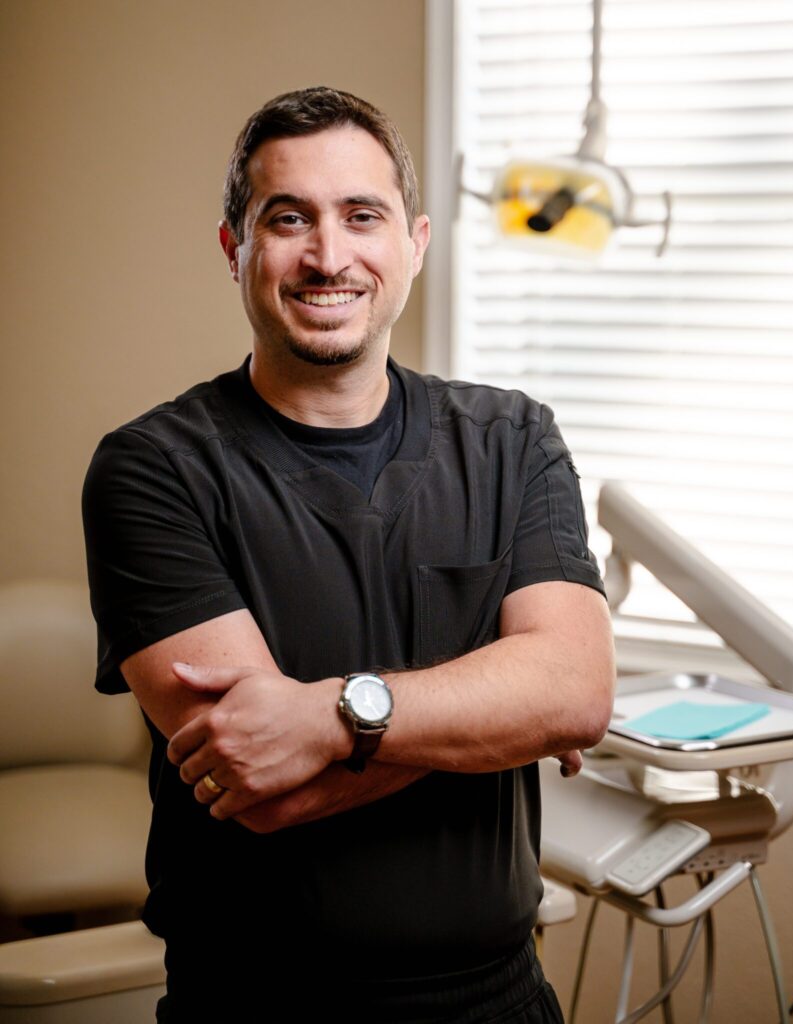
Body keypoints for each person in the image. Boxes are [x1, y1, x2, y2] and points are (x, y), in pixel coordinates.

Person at [82, 86, 615, 1023]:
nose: (329, 256)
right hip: (256, 1005)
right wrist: (500, 711)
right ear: (233, 249)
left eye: (360, 216)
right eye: (287, 219)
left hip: (501, 999)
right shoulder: (152, 469)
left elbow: (573, 690)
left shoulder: (511, 439)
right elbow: (257, 783)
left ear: (412, 242)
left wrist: (332, 715)